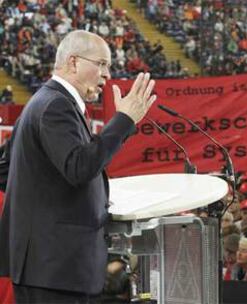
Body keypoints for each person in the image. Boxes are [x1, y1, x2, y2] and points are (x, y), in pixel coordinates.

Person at [0, 30, 157, 303]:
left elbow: (6, 171)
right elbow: (80, 167)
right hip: (56, 270)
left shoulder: (44, 102)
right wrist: (124, 120)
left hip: (49, 269)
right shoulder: (55, 105)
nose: (107, 75)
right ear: (73, 62)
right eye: (102, 64)